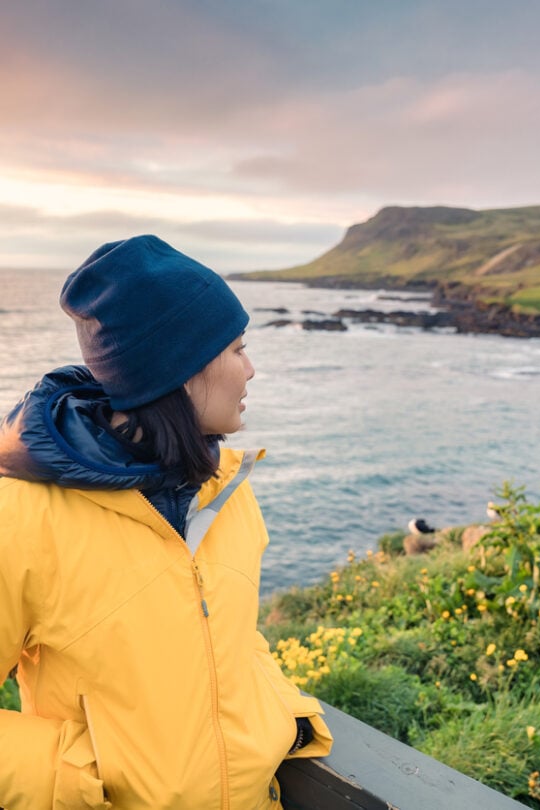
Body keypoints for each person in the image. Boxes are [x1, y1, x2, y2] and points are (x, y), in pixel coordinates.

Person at [0, 235, 332, 809]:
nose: (251, 370)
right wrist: (80, 778)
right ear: (177, 370)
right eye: (236, 350)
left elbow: (233, 636)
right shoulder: (22, 514)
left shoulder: (229, 490)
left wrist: (280, 713)